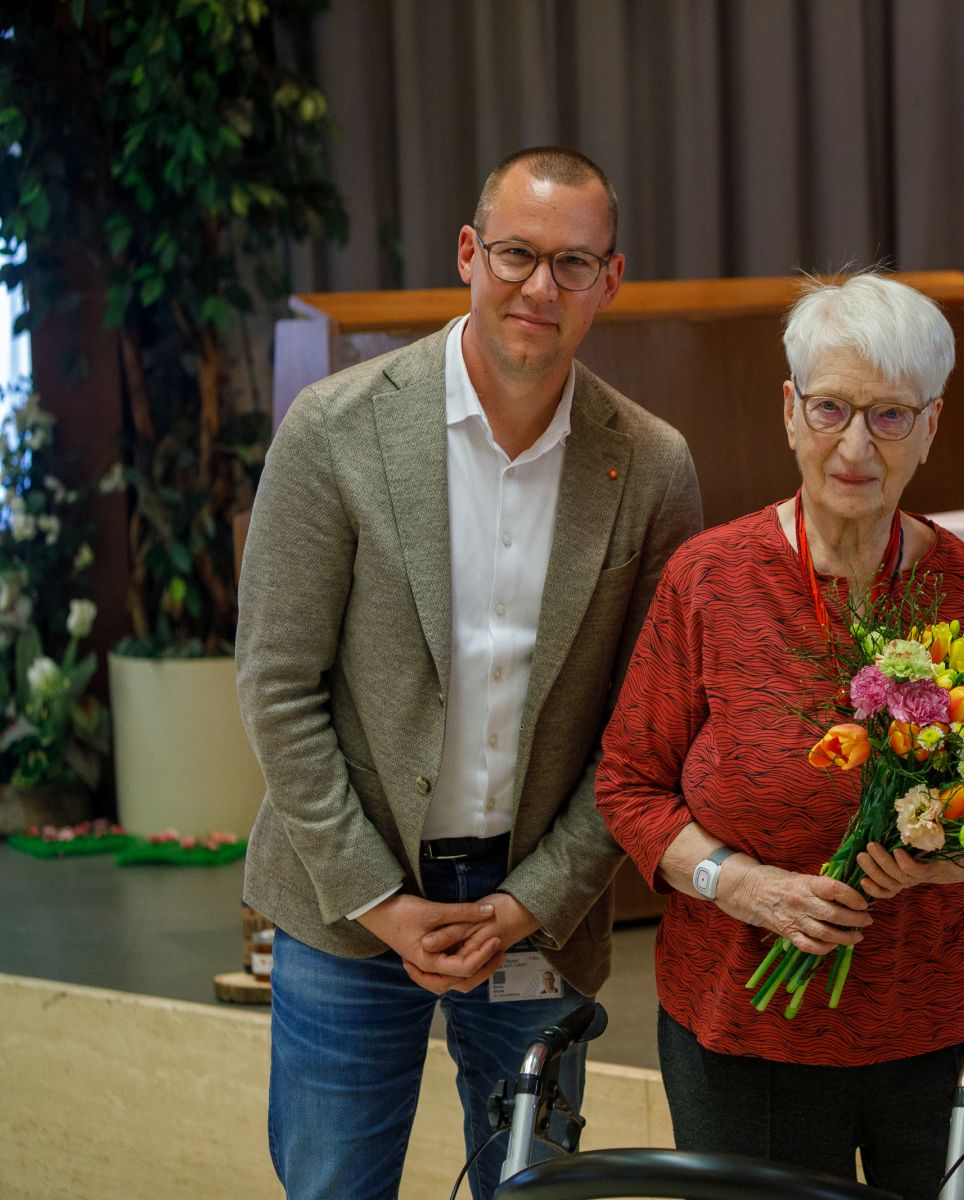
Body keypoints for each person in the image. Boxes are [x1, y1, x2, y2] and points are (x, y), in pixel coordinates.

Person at [237, 146, 702, 1200]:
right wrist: (380, 901)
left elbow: (647, 731)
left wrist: (531, 902)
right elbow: (276, 688)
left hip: (533, 910)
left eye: (572, 264)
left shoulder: (654, 466)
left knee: (535, 1192)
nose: (541, 287)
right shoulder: (336, 430)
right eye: (517, 254)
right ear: (468, 254)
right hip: (344, 903)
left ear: (609, 281)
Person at [595, 272, 964, 1199]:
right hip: (746, 1033)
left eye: (888, 416)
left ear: (931, 426)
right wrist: (743, 885)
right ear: (790, 412)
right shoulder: (708, 580)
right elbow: (629, 786)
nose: (853, 445)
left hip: (955, 1026)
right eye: (831, 408)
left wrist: (945, 861)